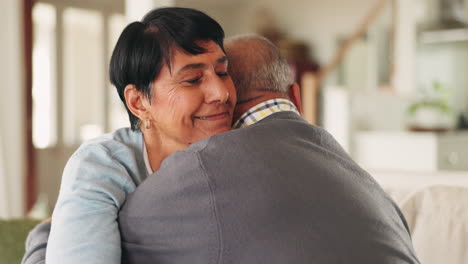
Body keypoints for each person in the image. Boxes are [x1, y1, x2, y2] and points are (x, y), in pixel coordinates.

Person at [22, 34, 420, 263]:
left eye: (216, 75)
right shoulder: (367, 185)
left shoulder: (203, 171)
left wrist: (43, 236)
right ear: (296, 97)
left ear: (223, 102)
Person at [42, 7, 236, 264]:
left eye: (223, 73)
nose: (221, 93)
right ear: (139, 103)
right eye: (192, 79)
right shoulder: (101, 167)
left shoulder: (243, 151)